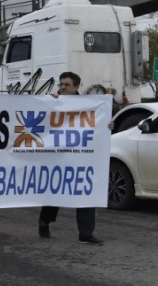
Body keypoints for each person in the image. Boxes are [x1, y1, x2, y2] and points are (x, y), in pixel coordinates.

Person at [38, 71, 107, 246]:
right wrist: (50, 101)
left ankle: (85, 234)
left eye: (67, 85)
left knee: (85, 192)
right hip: (58, 156)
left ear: (76, 86)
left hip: (81, 156)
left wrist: (108, 124)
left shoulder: (89, 105)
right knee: (56, 191)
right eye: (61, 84)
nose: (63, 88)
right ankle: (45, 221)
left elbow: (98, 125)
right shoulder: (53, 101)